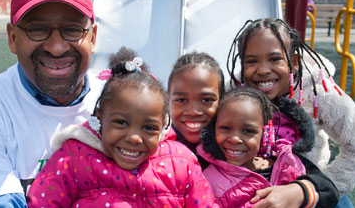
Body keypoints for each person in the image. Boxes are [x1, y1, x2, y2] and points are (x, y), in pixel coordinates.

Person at [0, 0, 98, 207]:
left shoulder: (128, 104)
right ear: (13, 38)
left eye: (72, 29)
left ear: (93, 38)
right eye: (38, 29)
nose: (56, 48)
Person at [26, 47, 218, 207]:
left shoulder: (181, 162)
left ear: (163, 125)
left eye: (149, 127)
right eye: (121, 123)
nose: (134, 137)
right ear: (100, 118)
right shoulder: (73, 158)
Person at [227, 18, 355, 207]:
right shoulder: (234, 91)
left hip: (312, 188)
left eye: (275, 59)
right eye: (251, 61)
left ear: (294, 63)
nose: (263, 70)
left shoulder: (318, 90)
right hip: (252, 189)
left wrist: (310, 188)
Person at [198, 87, 334, 207]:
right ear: (213, 129)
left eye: (248, 131)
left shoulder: (287, 161)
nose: (234, 139)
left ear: (265, 133)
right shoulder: (207, 182)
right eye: (225, 128)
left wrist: (301, 192)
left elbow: (329, 193)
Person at [168, 52, 224, 169]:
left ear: (222, 101)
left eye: (207, 100)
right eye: (181, 100)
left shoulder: (233, 148)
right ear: (168, 100)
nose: (193, 111)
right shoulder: (154, 150)